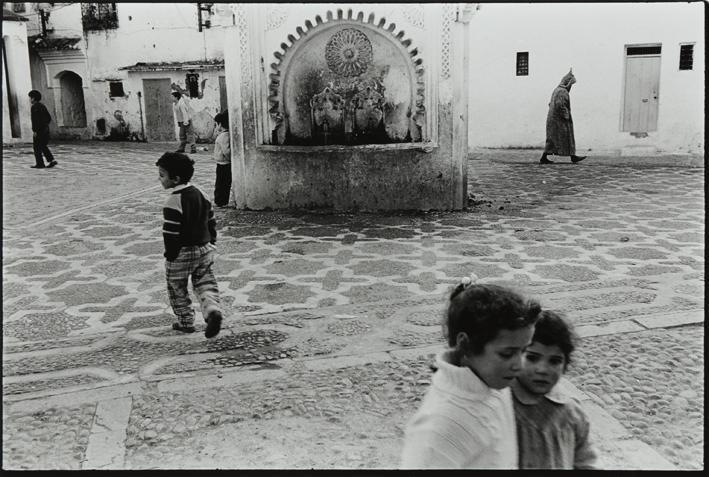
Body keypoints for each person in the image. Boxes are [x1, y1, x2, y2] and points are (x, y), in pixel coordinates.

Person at [400, 275, 541, 469]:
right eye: (507, 354)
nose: (519, 365)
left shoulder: (494, 380)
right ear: (465, 345)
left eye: (524, 351)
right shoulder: (439, 429)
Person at [511, 310, 598, 469]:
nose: (543, 369)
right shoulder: (503, 407)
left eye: (554, 361)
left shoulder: (572, 414)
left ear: (565, 366)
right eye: (532, 358)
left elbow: (585, 462)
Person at [156, 152, 224, 338]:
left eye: (162, 175)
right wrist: (212, 241)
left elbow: (170, 233)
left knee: (176, 286)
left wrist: (171, 254)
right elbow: (211, 221)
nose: (159, 179)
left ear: (175, 178)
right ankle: (212, 311)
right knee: (205, 283)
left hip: (181, 253)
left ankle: (185, 322)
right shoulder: (202, 193)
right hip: (204, 248)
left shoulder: (172, 201)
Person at [539, 69, 587, 164]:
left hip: (554, 119)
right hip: (559, 121)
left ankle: (572, 156)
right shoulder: (562, 92)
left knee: (553, 139)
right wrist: (566, 115)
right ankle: (572, 156)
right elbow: (560, 104)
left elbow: (550, 103)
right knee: (563, 138)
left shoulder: (557, 90)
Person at [28, 90, 57, 169]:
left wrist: (35, 131)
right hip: (45, 129)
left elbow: (35, 121)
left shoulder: (34, 107)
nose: (30, 100)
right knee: (43, 146)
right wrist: (45, 126)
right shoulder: (42, 106)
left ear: (33, 98)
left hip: (39, 130)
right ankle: (51, 160)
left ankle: (40, 164)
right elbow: (48, 118)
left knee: (37, 147)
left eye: (30, 98)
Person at [212, 111, 232, 207]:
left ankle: (221, 201)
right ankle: (220, 201)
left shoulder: (224, 136)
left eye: (216, 124)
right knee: (222, 183)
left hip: (224, 164)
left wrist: (229, 159)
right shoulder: (225, 135)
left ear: (220, 124)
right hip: (222, 163)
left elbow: (226, 151)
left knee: (222, 184)